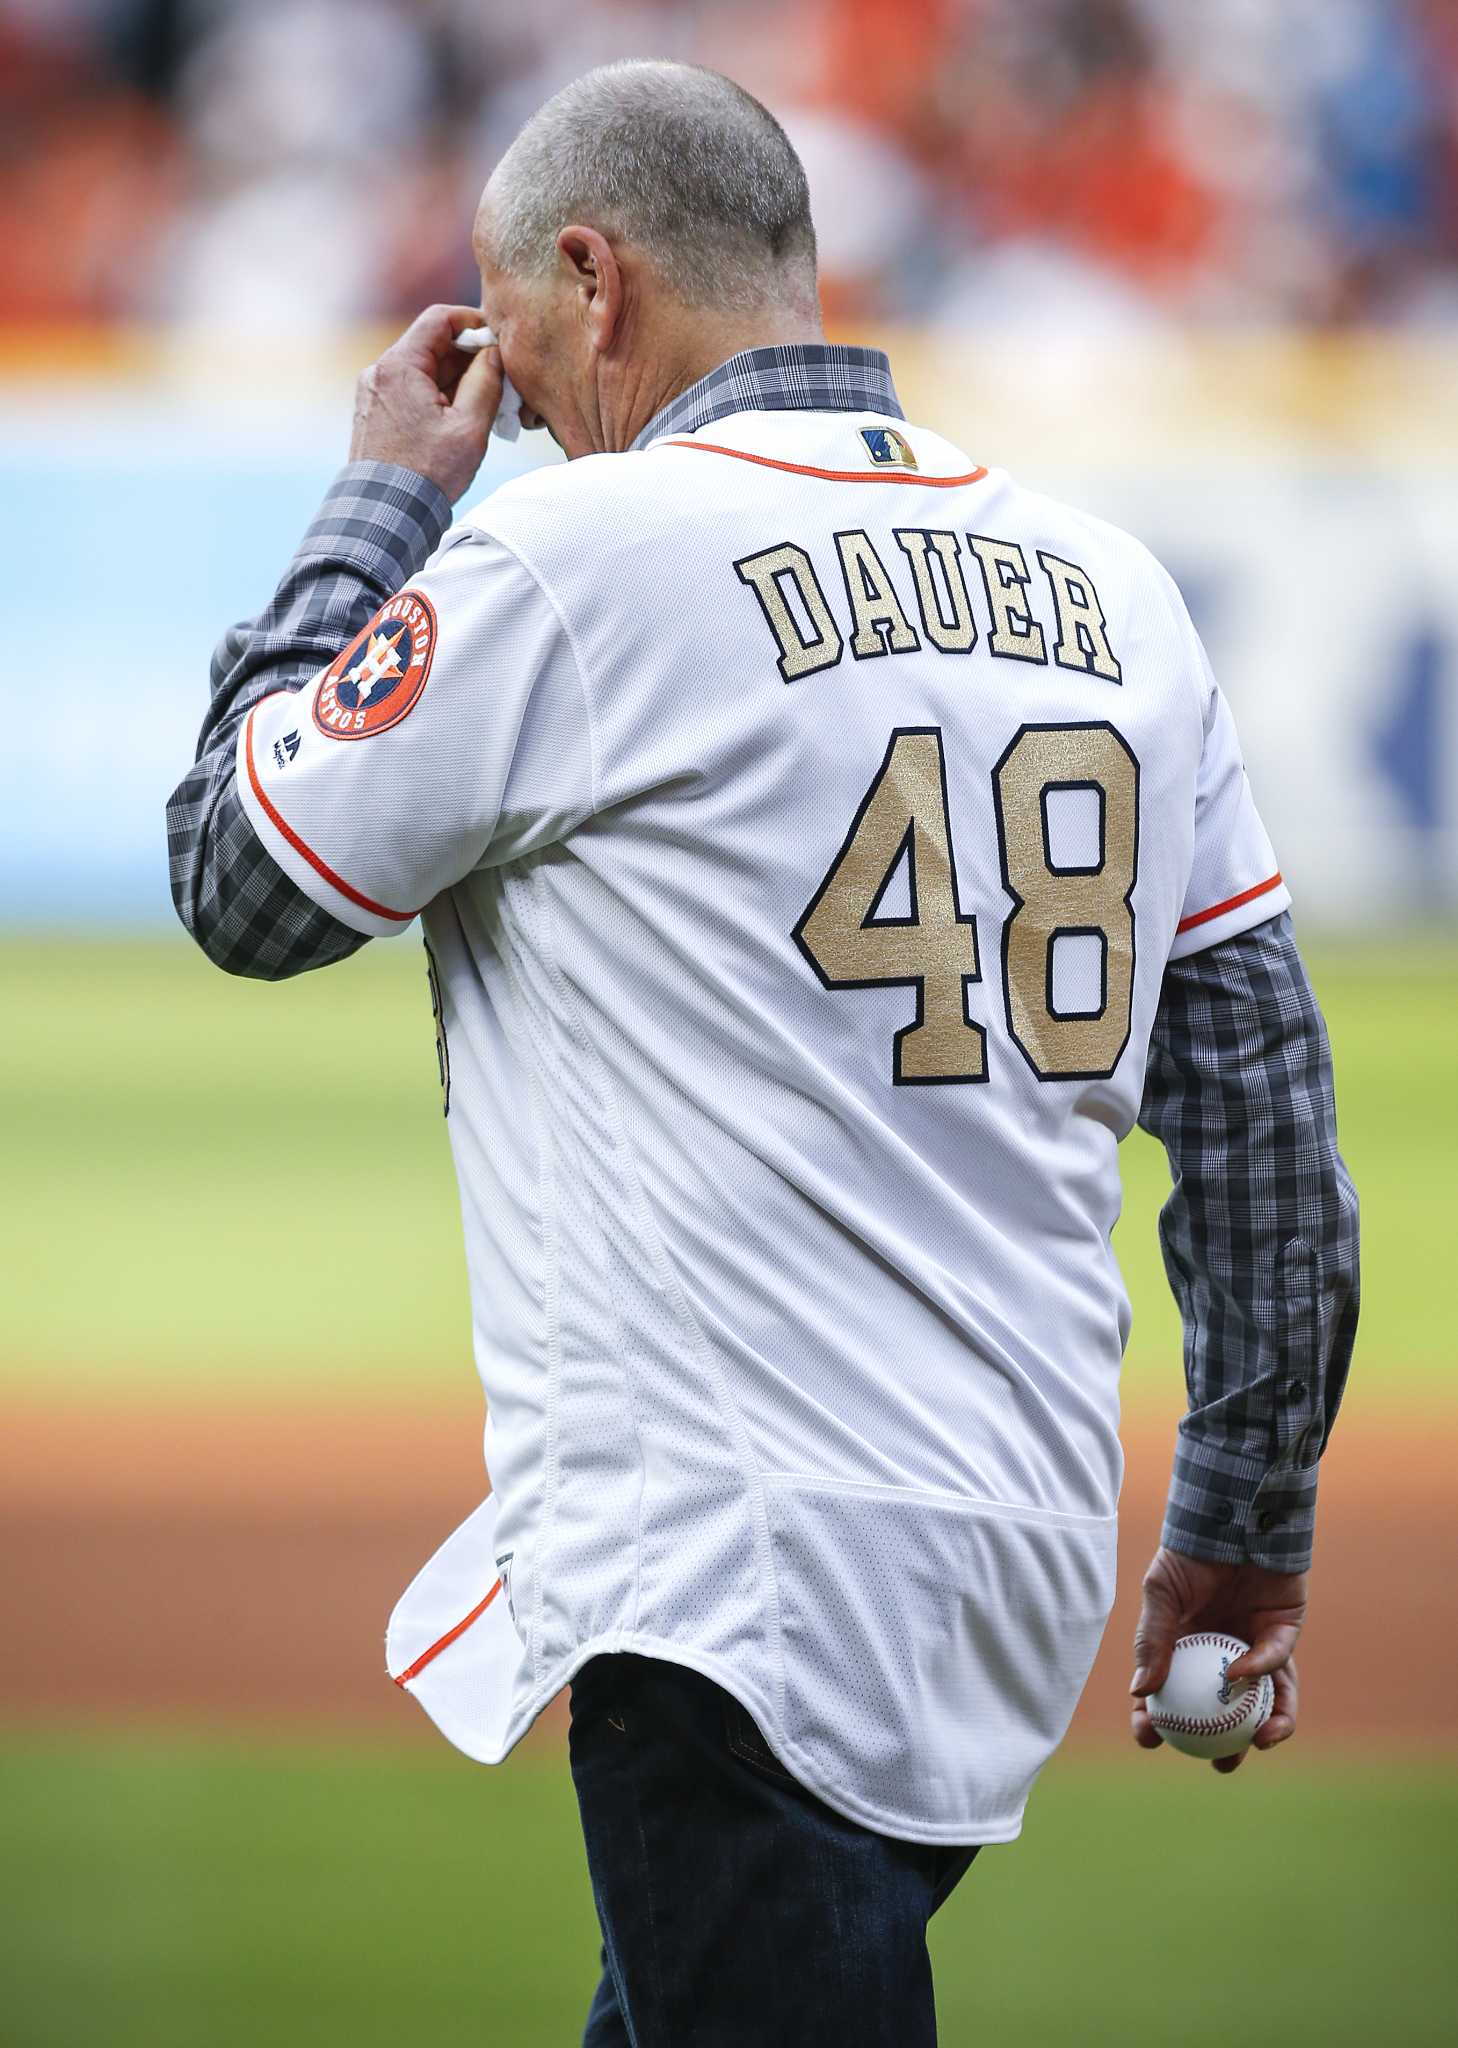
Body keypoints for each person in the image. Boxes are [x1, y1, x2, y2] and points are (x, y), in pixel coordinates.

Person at [167, 59, 1359, 2048]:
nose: (510, 397)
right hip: (1008, 1549)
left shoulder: (576, 561)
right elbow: (1260, 1114)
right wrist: (1240, 1528)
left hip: (725, 1569)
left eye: (510, 328)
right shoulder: (1114, 589)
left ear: (590, 278)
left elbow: (241, 875)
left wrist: (384, 495)